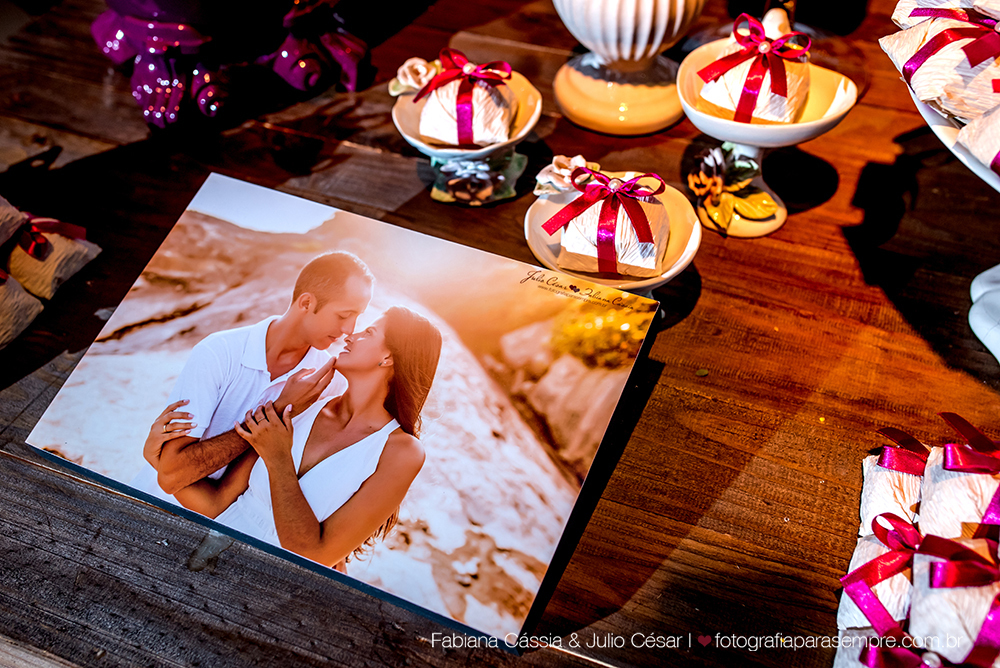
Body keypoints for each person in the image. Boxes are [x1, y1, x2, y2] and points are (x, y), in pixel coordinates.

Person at [145, 306, 442, 569]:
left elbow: (315, 556)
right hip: (203, 556)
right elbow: (218, 503)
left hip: (274, 590)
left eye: (369, 332)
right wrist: (158, 460)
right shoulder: (302, 407)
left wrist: (278, 458)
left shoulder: (401, 452)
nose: (351, 335)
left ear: (388, 356)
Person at [132, 251, 374, 504]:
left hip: (228, 524)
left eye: (358, 317)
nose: (349, 330)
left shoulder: (329, 384)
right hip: (150, 502)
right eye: (344, 315)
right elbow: (172, 475)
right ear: (306, 303)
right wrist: (275, 412)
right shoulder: (219, 352)